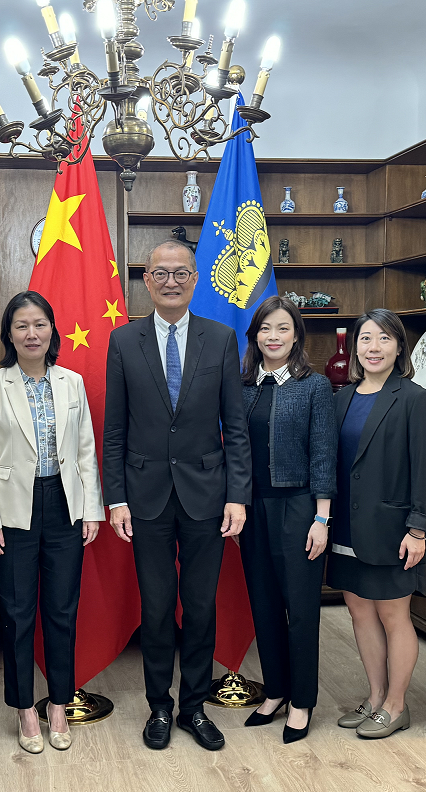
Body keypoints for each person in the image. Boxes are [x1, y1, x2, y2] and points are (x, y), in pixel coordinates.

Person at [103, 239, 252, 752]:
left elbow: (234, 424)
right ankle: (159, 707)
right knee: (158, 606)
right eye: (160, 272)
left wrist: (238, 495)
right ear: (146, 279)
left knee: (201, 604)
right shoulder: (123, 342)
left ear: (195, 279)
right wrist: (115, 498)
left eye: (181, 272)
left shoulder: (221, 338)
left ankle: (194, 707)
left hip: (208, 496)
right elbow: (115, 430)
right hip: (145, 496)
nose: (171, 281)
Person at [0, 291, 103, 754]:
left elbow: (85, 449)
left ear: (52, 330)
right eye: (22, 325)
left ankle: (59, 704)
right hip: (13, 510)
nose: (32, 333)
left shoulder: (71, 382)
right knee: (17, 611)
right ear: (9, 334)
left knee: (62, 609)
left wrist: (92, 509)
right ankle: (25, 707)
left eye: (40, 324)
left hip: (65, 505)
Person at [327, 308, 426, 739]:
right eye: (366, 339)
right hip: (347, 528)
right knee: (359, 612)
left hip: (393, 529)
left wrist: (418, 529)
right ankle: (374, 696)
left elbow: (425, 470)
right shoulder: (342, 398)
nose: (374, 348)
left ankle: (397, 704)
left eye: (384, 339)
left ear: (399, 347)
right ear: (355, 347)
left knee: (395, 616)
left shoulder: (415, 399)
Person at [238, 295, 336, 744]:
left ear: (296, 335)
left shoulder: (312, 386)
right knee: (263, 604)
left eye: (281, 329)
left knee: (300, 610)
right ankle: (275, 690)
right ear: (254, 336)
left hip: (300, 509)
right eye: (264, 329)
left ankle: (302, 701)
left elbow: (323, 454)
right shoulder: (243, 385)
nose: (272, 337)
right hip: (252, 509)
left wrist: (322, 518)